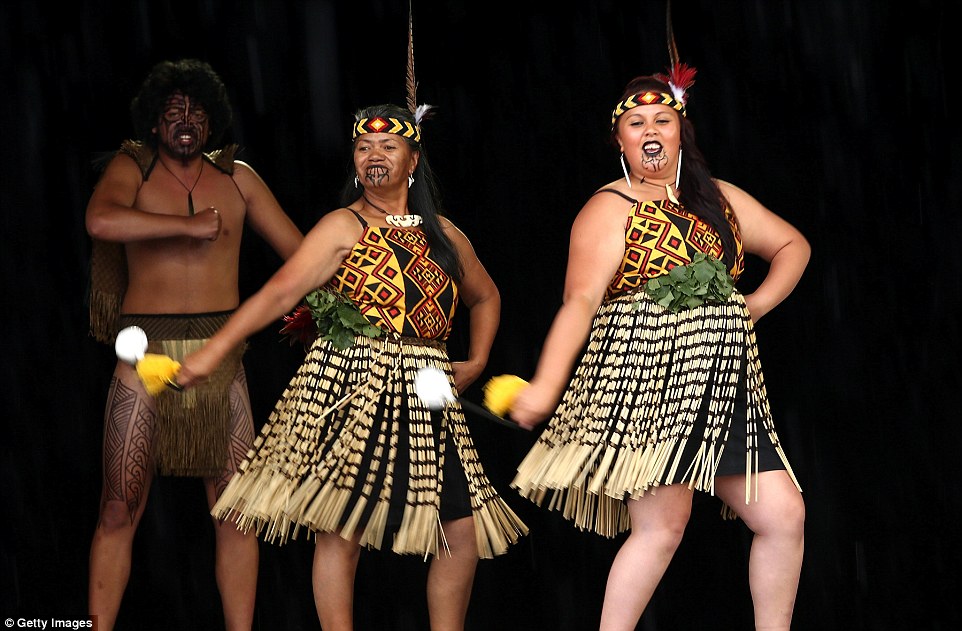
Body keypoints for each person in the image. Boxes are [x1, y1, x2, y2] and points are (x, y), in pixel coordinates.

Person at [175, 102, 528, 630]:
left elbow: (486, 296)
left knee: (459, 531)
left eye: (388, 147)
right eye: (363, 148)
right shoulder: (343, 226)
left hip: (426, 392)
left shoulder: (445, 236)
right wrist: (214, 349)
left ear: (413, 161)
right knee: (341, 529)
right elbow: (279, 293)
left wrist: (476, 361)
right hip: (353, 384)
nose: (373, 156)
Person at [506, 60, 810, 630]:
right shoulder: (608, 209)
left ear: (680, 131)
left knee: (784, 515)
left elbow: (793, 244)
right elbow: (579, 303)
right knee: (664, 527)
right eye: (636, 122)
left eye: (662, 120)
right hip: (653, 389)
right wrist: (546, 385)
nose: (650, 130)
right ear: (619, 139)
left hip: (727, 393)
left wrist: (756, 304)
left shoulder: (718, 199)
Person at [85, 58, 304, 630]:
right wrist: (185, 228)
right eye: (175, 111)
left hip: (221, 352)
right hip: (143, 352)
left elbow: (304, 258)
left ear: (213, 123)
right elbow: (102, 222)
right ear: (155, 123)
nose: (186, 120)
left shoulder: (238, 178)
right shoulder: (133, 168)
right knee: (117, 506)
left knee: (235, 510)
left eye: (198, 112)